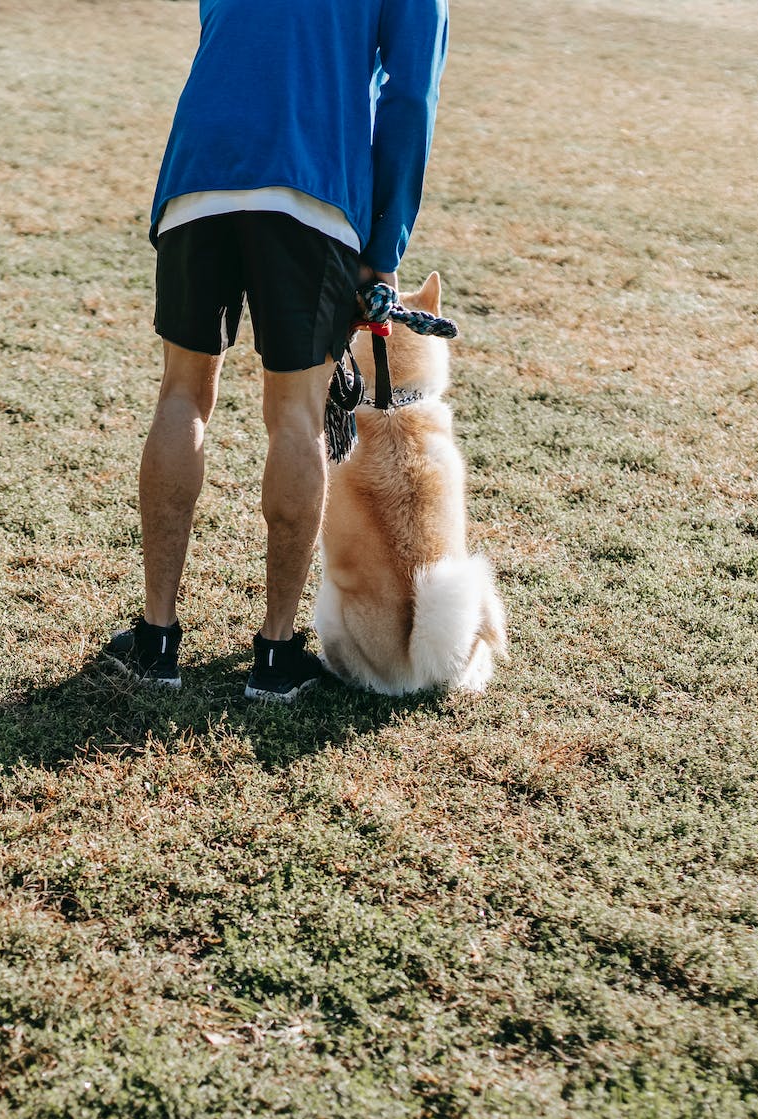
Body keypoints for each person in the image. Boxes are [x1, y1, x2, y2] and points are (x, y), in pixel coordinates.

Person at [103, 0, 450, 703]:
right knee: (296, 414)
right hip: (313, 180)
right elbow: (411, 93)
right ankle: (274, 653)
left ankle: (156, 638)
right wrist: (383, 253)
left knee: (181, 393)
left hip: (200, 168)